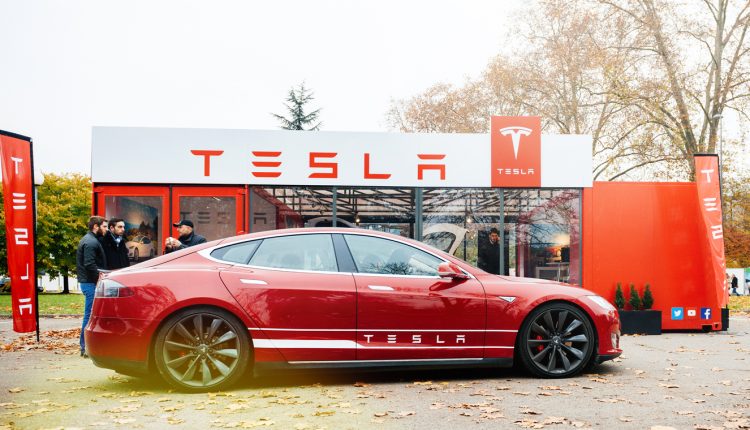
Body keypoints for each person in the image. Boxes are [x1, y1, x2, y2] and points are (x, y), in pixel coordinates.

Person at [76, 215, 108, 358]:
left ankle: (87, 346)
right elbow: (89, 264)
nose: (106, 229)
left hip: (89, 281)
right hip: (90, 283)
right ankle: (85, 347)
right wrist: (100, 279)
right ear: (96, 227)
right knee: (89, 316)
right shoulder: (90, 242)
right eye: (104, 226)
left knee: (90, 315)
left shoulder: (91, 240)